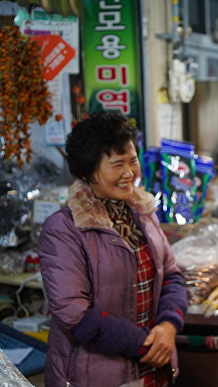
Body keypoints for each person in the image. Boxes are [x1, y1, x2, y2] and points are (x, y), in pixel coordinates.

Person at [38, 111, 188, 387]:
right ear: (87, 170)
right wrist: (147, 346)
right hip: (97, 374)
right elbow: (75, 314)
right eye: (117, 165)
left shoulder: (142, 212)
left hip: (154, 368)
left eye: (133, 161)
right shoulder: (64, 229)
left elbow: (172, 276)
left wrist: (168, 327)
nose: (129, 173)